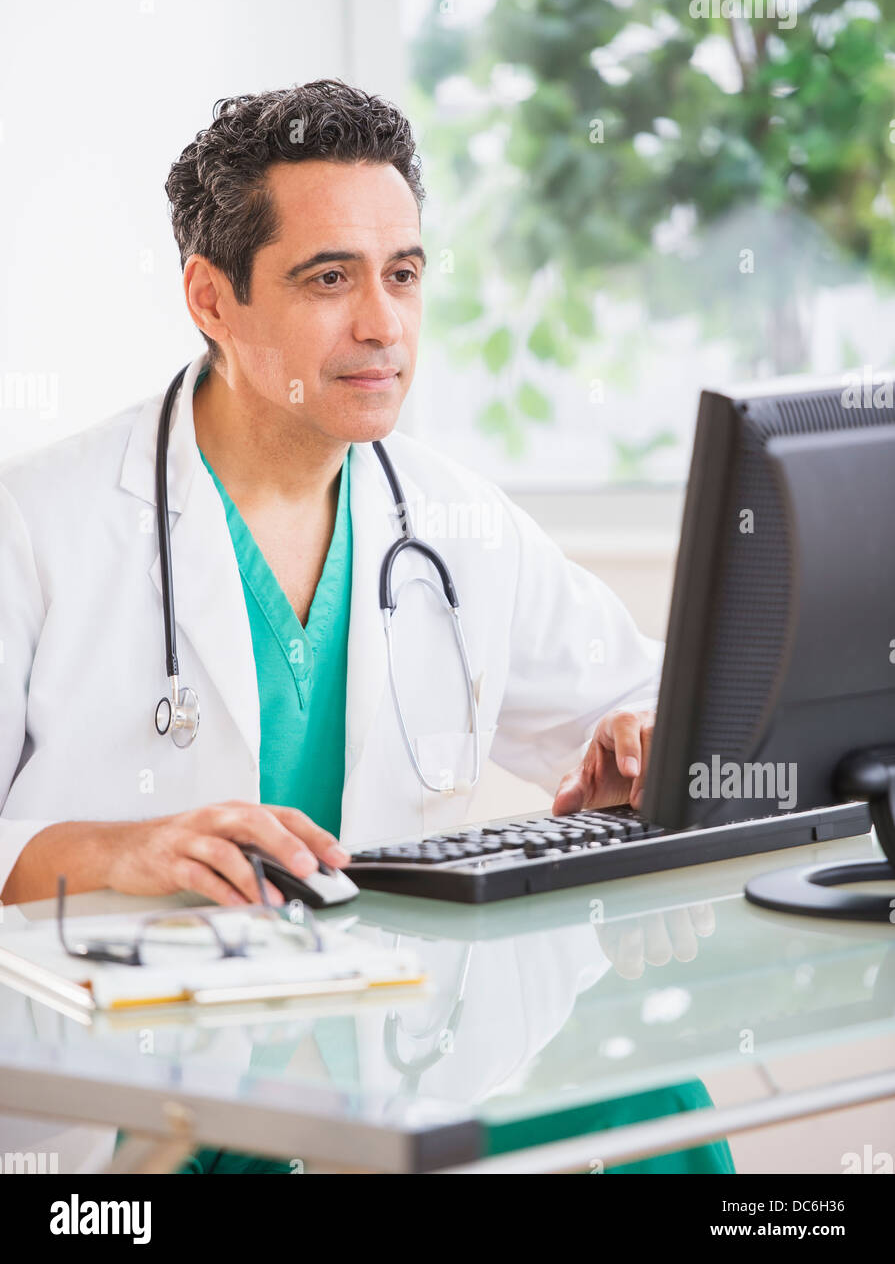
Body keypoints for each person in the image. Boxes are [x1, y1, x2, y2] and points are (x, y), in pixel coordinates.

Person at [0, 79, 662, 909]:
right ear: (211, 299)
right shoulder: (34, 525)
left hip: (392, 1023)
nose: (383, 324)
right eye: (329, 280)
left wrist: (640, 745)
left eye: (404, 274)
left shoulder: (460, 524)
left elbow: (652, 703)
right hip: (114, 1024)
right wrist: (115, 854)